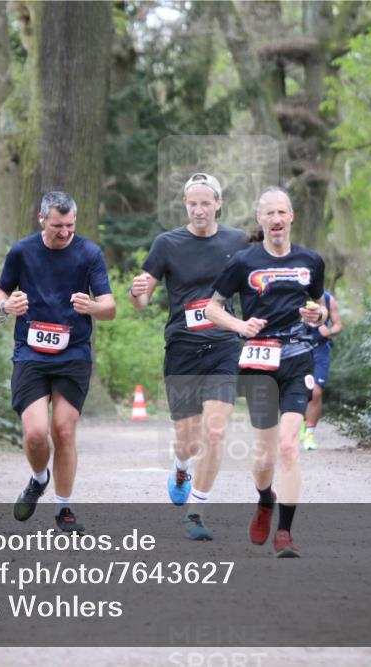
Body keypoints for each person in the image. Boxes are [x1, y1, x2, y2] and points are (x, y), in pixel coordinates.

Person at [206, 186, 326, 558]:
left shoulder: (311, 261)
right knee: (264, 458)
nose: (276, 219)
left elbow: (320, 308)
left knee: (289, 446)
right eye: (269, 213)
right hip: (258, 363)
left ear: (291, 218)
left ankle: (285, 534)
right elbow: (213, 309)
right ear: (260, 219)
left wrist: (315, 315)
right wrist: (240, 327)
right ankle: (264, 499)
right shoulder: (243, 262)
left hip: (297, 358)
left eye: (282, 213)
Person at [130, 173, 249, 540]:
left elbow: (256, 284)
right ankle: (181, 466)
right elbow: (142, 300)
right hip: (182, 350)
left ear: (218, 203)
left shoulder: (238, 241)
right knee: (189, 440)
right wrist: (137, 293)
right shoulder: (166, 244)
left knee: (215, 431)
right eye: (192, 204)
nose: (198, 210)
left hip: (224, 347)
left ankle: (196, 511)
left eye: (205, 203)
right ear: (185, 205)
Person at [0, 191, 116, 534]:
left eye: (70, 226)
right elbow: (0, 291)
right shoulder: (22, 251)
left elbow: (110, 306)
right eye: (58, 225)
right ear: (42, 220)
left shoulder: (89, 253)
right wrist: (7, 306)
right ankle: (38, 479)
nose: (64, 232)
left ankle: (64, 507)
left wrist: (92, 307)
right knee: (35, 433)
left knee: (63, 429)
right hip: (31, 353)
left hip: (73, 352)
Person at [301, 290, 342, 451]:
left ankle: (309, 434)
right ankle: (301, 424)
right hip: (297, 348)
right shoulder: (293, 294)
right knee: (297, 390)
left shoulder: (327, 298)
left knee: (316, 392)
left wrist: (330, 331)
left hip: (320, 351)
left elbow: (338, 324)